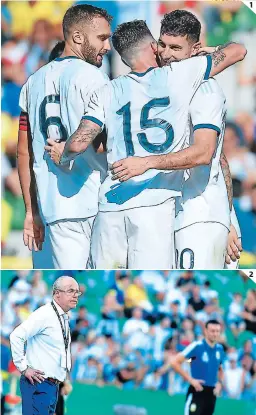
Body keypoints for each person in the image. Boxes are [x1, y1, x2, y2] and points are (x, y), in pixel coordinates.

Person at [46, 20, 246, 269]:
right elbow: (238, 50)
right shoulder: (181, 75)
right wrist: (211, 51)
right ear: (153, 47)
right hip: (154, 206)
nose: (167, 53)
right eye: (163, 45)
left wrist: (61, 153)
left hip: (110, 205)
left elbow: (79, 143)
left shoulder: (107, 90)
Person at [111, 10, 244, 269]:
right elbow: (222, 161)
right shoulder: (165, 86)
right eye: (162, 44)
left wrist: (226, 219)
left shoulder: (204, 89)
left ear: (194, 49)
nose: (167, 54)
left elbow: (205, 153)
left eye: (176, 47)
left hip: (197, 217)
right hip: (176, 214)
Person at [17, 4, 112, 269]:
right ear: (78, 37)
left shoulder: (32, 83)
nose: (108, 47)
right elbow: (104, 144)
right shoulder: (95, 78)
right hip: (91, 204)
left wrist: (30, 210)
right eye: (102, 38)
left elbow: (24, 153)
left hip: (51, 209)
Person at [9, 276, 81, 415]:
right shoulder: (45, 314)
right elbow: (16, 335)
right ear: (57, 293)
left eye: (77, 292)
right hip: (39, 383)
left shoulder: (63, 317)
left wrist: (64, 379)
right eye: (71, 291)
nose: (75, 295)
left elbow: (58, 352)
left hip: (52, 385)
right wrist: (24, 368)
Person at [170, 320, 225, 415]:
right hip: (197, 390)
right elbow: (174, 362)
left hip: (211, 393)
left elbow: (220, 368)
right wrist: (190, 380)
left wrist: (220, 383)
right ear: (205, 331)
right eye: (212, 331)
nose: (215, 334)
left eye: (217, 331)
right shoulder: (197, 346)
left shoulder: (219, 349)